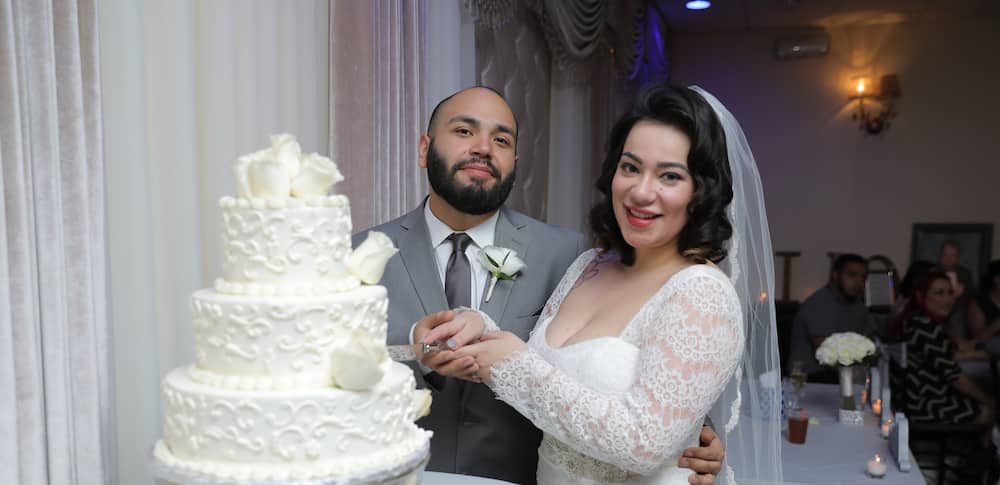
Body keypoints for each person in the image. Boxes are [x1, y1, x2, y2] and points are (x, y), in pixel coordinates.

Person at [353, 86, 725, 484]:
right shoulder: (358, 254)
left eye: (501, 139)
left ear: (515, 160)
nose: (483, 148)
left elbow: (662, 371)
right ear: (425, 148)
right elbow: (322, 371)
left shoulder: (567, 253)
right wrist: (415, 349)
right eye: (464, 131)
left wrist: (698, 438)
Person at [888, 271, 993, 426]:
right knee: (987, 409)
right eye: (939, 293)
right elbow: (953, 376)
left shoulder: (916, 321)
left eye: (950, 293)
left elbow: (947, 355)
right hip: (921, 405)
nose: (948, 300)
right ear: (920, 296)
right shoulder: (925, 326)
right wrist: (988, 401)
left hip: (912, 399)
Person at [787, 253, 873, 377]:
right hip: (809, 378)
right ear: (835, 275)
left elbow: (869, 341)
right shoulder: (819, 302)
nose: (859, 282)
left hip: (842, 375)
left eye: (863, 277)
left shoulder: (859, 306)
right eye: (852, 275)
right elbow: (825, 350)